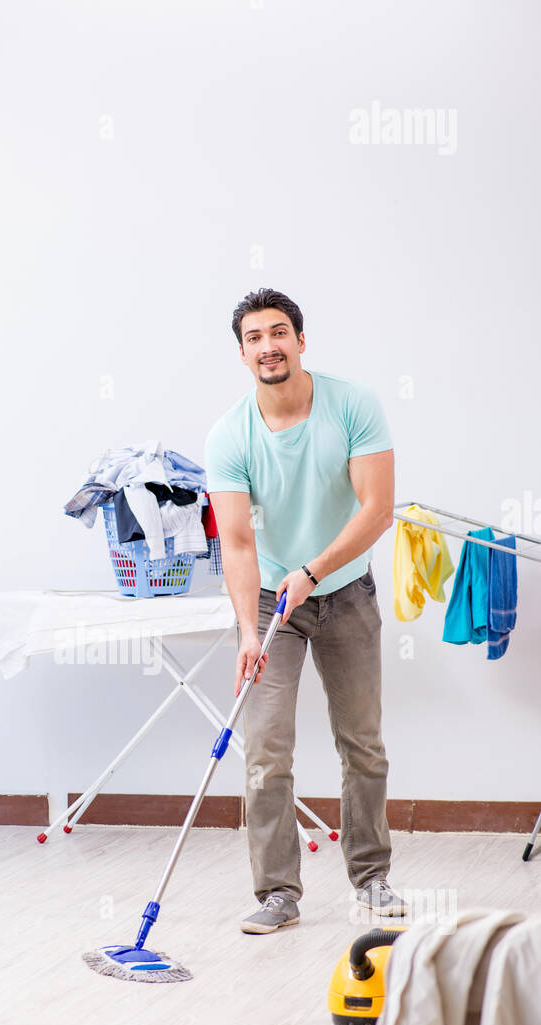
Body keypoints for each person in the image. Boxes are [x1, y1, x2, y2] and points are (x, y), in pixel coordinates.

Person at [205, 287, 406, 933]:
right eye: (254, 338)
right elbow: (236, 542)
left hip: (343, 590)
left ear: (299, 340)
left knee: (362, 745)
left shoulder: (352, 405)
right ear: (241, 353)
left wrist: (314, 570)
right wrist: (246, 631)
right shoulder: (229, 434)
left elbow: (376, 510)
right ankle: (276, 894)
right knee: (264, 752)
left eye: (278, 332)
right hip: (271, 602)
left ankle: (371, 879)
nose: (268, 345)